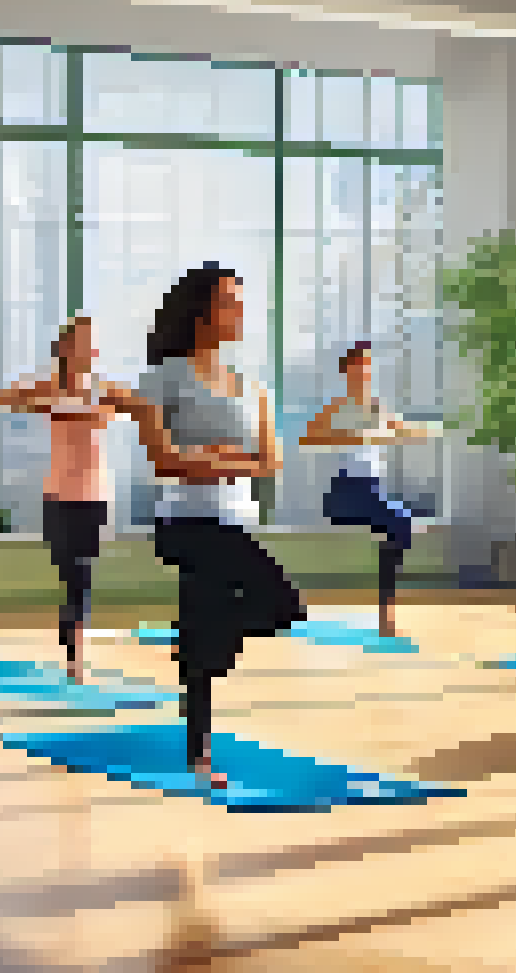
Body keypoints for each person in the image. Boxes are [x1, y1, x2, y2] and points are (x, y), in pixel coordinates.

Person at [115, 264, 304, 790]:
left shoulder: (251, 386)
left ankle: (200, 722)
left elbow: (271, 462)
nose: (238, 312)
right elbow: (163, 461)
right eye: (228, 302)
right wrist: (229, 457)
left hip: (234, 520)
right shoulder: (161, 379)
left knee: (253, 614)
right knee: (275, 606)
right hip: (186, 522)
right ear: (200, 312)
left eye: (239, 302)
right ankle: (200, 743)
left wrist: (209, 455)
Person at [0, 315, 128, 683]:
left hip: (94, 495)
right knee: (69, 572)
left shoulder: (102, 389)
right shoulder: (51, 386)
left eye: (92, 341)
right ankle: (72, 646)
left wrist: (79, 407)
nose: (90, 347)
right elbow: (5, 398)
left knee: (82, 574)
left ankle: (76, 656)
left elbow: (127, 407)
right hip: (58, 495)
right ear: (66, 347)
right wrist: (50, 400)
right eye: (83, 340)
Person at [298, 341, 439, 638]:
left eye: (367, 367)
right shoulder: (337, 407)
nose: (363, 372)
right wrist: (352, 435)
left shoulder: (376, 407)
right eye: (358, 367)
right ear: (346, 372)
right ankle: (386, 614)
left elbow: (400, 428)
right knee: (401, 521)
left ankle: (386, 611)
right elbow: (307, 438)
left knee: (401, 525)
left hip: (372, 491)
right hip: (347, 492)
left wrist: (434, 430)